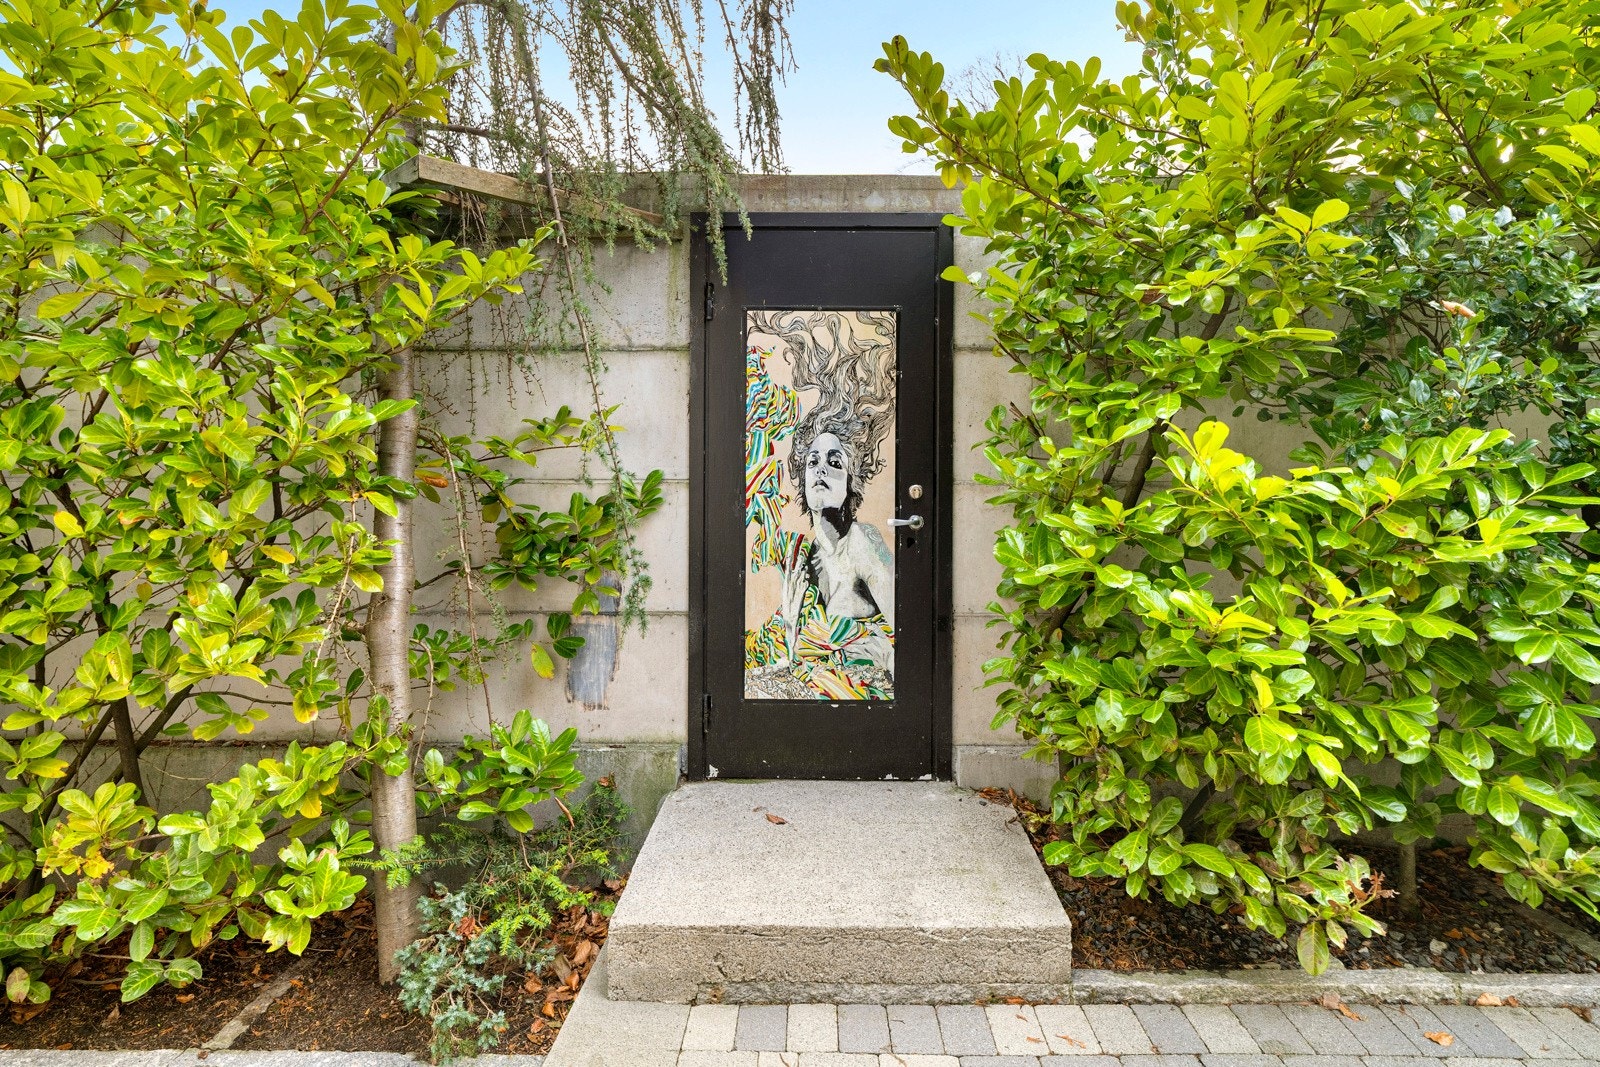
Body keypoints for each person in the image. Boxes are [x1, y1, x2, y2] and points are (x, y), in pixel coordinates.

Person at [778, 428, 894, 674]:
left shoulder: (862, 540)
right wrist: (790, 623)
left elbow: (908, 632)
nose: (821, 470)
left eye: (834, 463)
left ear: (851, 482)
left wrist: (881, 653)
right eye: (813, 462)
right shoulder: (804, 559)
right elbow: (792, 661)